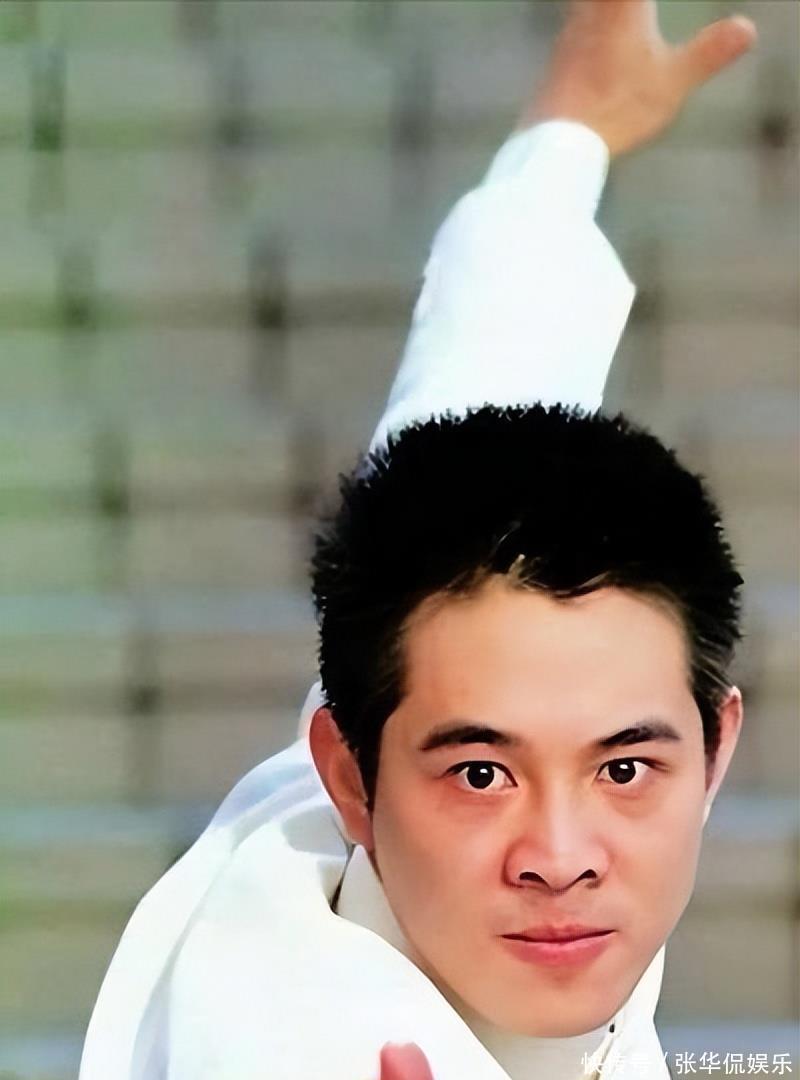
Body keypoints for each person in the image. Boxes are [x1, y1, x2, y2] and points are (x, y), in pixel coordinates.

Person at [78, 3, 757, 1078]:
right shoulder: (288, 1042)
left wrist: (565, 137)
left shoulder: (374, 749)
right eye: (480, 775)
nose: (559, 859)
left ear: (713, 753)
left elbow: (473, 380)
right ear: (350, 780)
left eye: (625, 766)